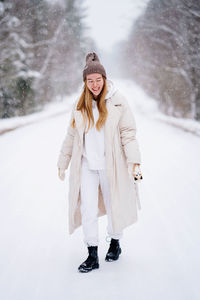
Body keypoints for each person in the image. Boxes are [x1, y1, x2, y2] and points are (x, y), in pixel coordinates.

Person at [57, 52, 143, 273]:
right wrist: (62, 162)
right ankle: (92, 253)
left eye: (98, 79)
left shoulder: (118, 101)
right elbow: (71, 135)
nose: (94, 84)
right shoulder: (80, 105)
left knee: (115, 205)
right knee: (87, 209)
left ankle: (115, 242)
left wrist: (134, 163)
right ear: (85, 82)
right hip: (86, 166)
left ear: (104, 79)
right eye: (90, 80)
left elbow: (128, 133)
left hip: (111, 165)